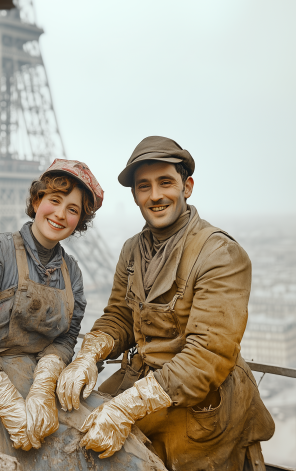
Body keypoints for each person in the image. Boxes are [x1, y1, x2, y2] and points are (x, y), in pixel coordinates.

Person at [57, 137, 275, 471]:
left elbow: (206, 359)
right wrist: (89, 354)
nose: (155, 195)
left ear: (187, 187)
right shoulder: (132, 249)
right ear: (135, 196)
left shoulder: (219, 254)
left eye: (166, 183)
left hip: (202, 412)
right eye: (144, 187)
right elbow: (120, 315)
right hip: (144, 388)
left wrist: (126, 406)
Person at [0, 158, 103, 463]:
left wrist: (44, 386)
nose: (60, 214)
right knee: (62, 455)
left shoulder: (73, 273)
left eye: (72, 210)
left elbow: (67, 338)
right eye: (54, 201)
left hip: (39, 378)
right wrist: (9, 404)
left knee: (105, 431)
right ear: (36, 200)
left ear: (79, 221)